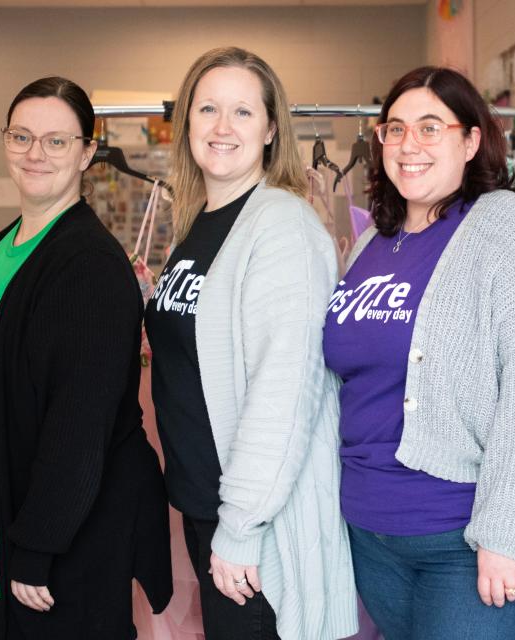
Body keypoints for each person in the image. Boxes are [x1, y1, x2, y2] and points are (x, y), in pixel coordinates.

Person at [322, 66, 515, 640]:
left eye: (431, 128)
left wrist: (512, 535)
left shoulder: (513, 230)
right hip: (373, 534)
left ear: (471, 139)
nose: (409, 145)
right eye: (395, 129)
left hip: (469, 539)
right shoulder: (372, 245)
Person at [0, 76, 172, 639]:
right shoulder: (8, 243)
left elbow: (80, 425)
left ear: (88, 152)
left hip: (53, 554)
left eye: (57, 141)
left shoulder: (88, 266)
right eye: (22, 136)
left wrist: (38, 544)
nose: (35, 153)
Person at [145, 47, 358, 640]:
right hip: (204, 505)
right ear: (187, 121)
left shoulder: (282, 228)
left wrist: (240, 525)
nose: (221, 126)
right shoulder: (199, 227)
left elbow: (285, 392)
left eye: (242, 112)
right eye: (208, 108)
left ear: (270, 130)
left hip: (257, 524)